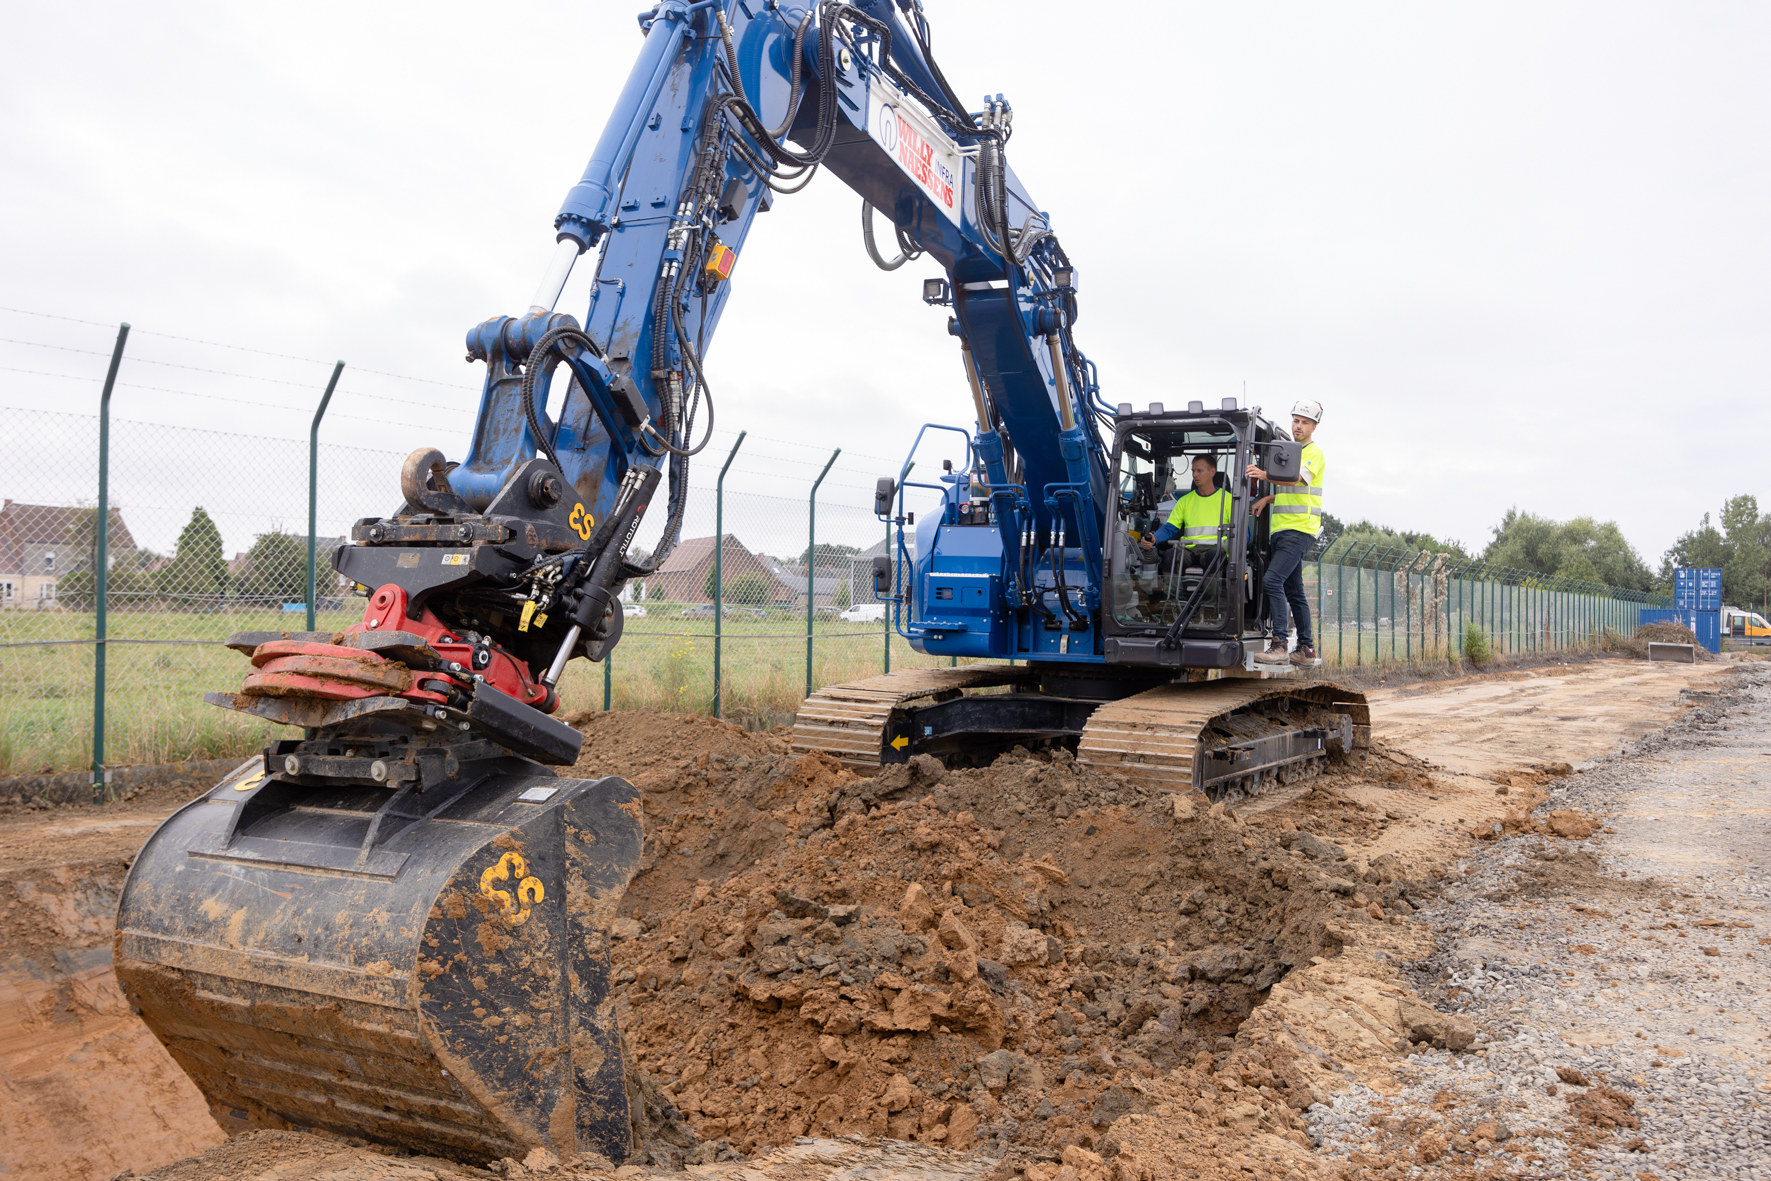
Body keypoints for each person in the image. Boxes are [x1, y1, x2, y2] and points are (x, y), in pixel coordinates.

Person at [1246, 401, 1325, 665]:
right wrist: (1266, 500)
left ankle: (1279, 644)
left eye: (1304, 422)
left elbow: (1297, 480)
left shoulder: (1313, 453)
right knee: (1295, 591)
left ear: (1314, 426)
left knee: (1271, 580)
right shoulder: (1289, 452)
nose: (1298, 426)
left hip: (1299, 530)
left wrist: (1263, 474)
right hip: (1281, 531)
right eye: (1295, 420)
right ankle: (1306, 649)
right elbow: (1289, 491)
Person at [1139, 454, 1231, 571]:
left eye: (1199, 471)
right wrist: (1154, 538)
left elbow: (1243, 533)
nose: (1195, 475)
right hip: (1188, 549)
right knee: (1169, 556)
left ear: (1212, 472)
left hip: (1215, 549)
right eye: (1193, 471)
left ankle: (1210, 590)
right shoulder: (1184, 501)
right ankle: (1172, 590)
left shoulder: (1228, 500)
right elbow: (1170, 528)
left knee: (1214, 558)